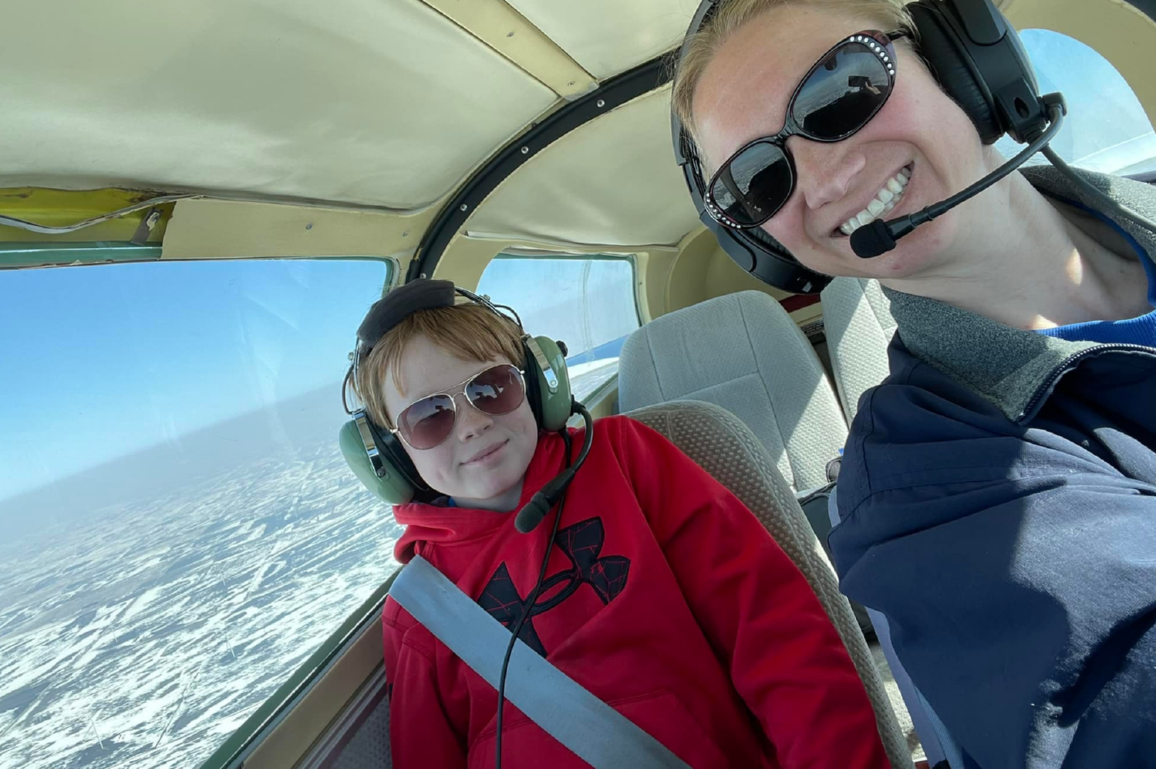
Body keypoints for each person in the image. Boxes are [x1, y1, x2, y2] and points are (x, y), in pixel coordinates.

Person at [671, 0, 1156, 768]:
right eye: (759, 180)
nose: (825, 176)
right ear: (765, 244)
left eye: (843, 89)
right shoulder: (916, 492)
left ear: (956, 59)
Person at [351, 279, 891, 768]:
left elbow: (778, 640)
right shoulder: (419, 608)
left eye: (491, 387)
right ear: (389, 455)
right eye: (429, 417)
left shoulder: (629, 462)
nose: (471, 424)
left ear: (537, 384)